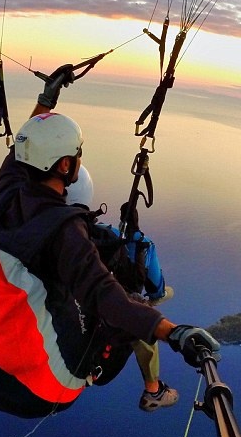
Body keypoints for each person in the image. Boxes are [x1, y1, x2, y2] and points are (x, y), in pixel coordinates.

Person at [0, 67, 220, 418]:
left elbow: (21, 149)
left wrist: (47, 99)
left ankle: (150, 379)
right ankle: (153, 389)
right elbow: (105, 295)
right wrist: (174, 332)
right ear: (66, 165)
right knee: (135, 309)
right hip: (34, 390)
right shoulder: (64, 229)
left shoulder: (8, 191)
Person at [65, 165, 176, 405]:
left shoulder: (32, 229)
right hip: (95, 338)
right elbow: (150, 272)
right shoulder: (104, 236)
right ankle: (153, 389)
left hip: (60, 321)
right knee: (142, 313)